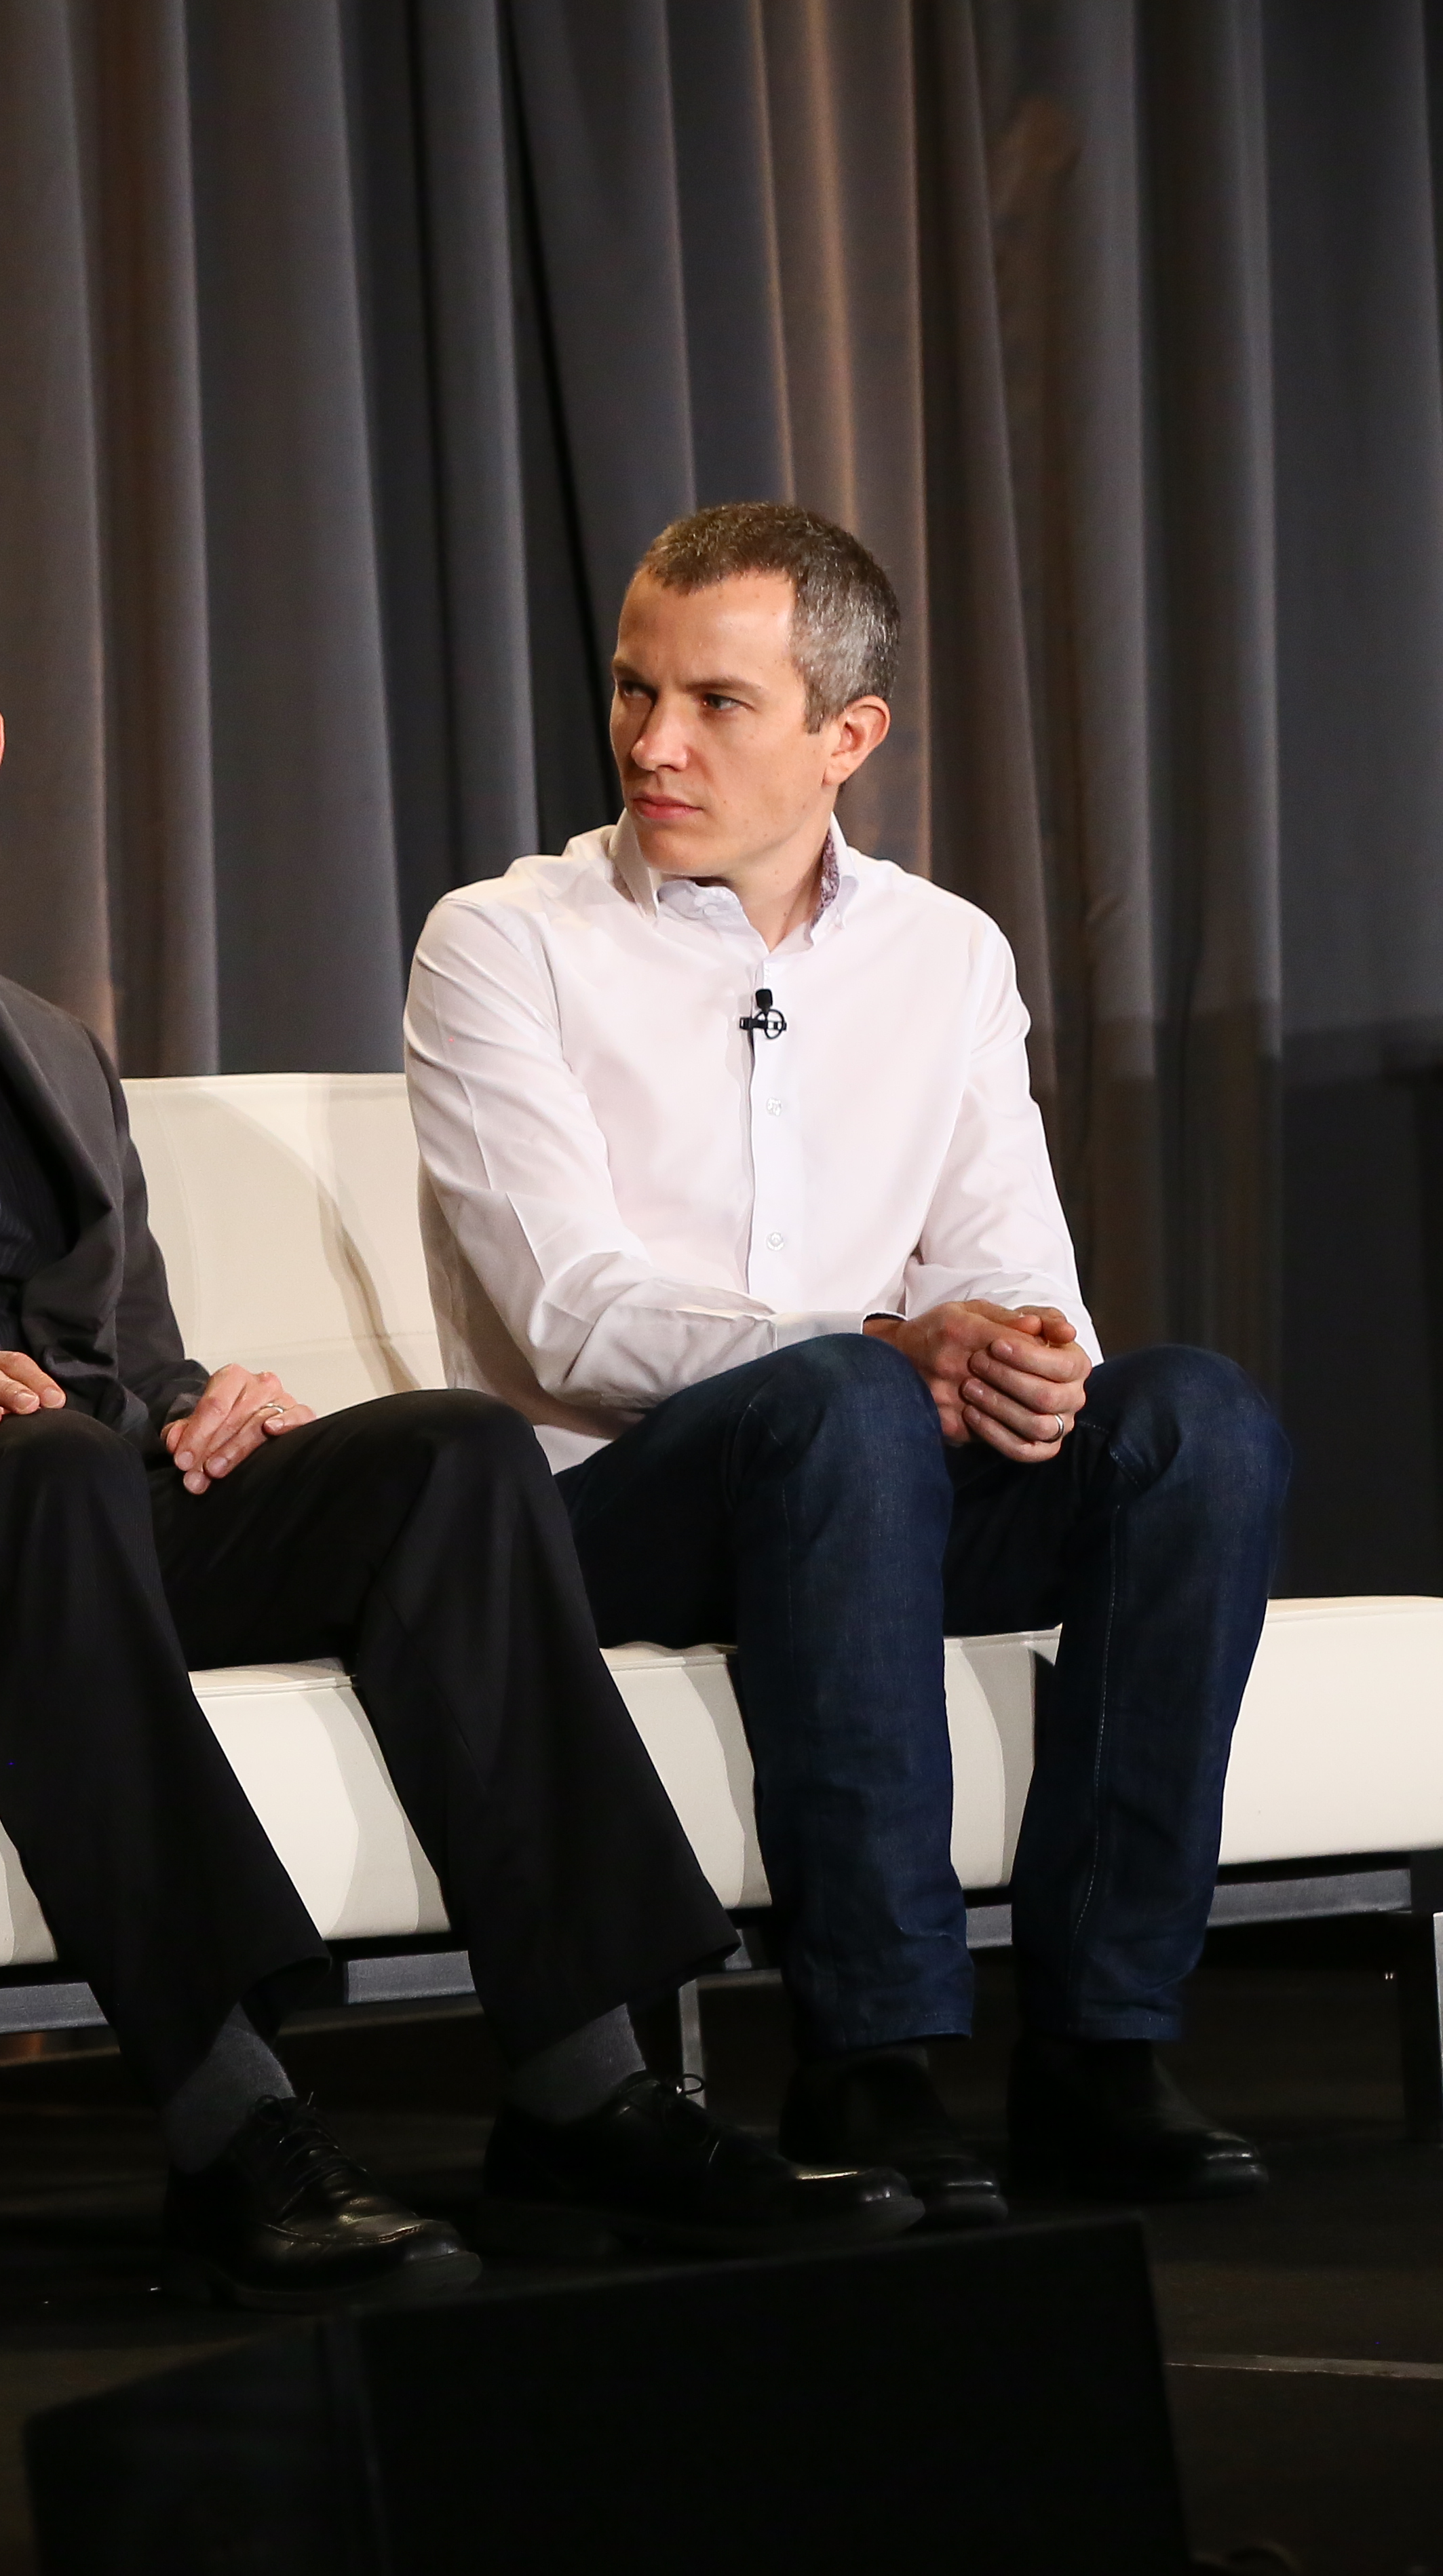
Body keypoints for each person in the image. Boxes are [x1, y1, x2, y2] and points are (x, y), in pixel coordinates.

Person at [0, 540, 916, 2308]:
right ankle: (238, 2126)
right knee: (44, 1459)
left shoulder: (45, 1044)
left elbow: (128, 1357)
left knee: (443, 1455)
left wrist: (203, 1406)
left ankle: (585, 2090)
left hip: (76, 1502)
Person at [403, 501, 1291, 2221]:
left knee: (1195, 1421)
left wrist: (1030, 1358)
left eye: (717, 705)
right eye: (634, 690)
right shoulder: (503, 941)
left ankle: (1102, 2048)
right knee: (843, 1398)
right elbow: (564, 1315)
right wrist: (886, 1345)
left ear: (847, 736)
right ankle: (867, 2050)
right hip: (606, 1513)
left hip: (876, 1480)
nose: (654, 744)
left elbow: (1018, 1268)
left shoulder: (944, 952)